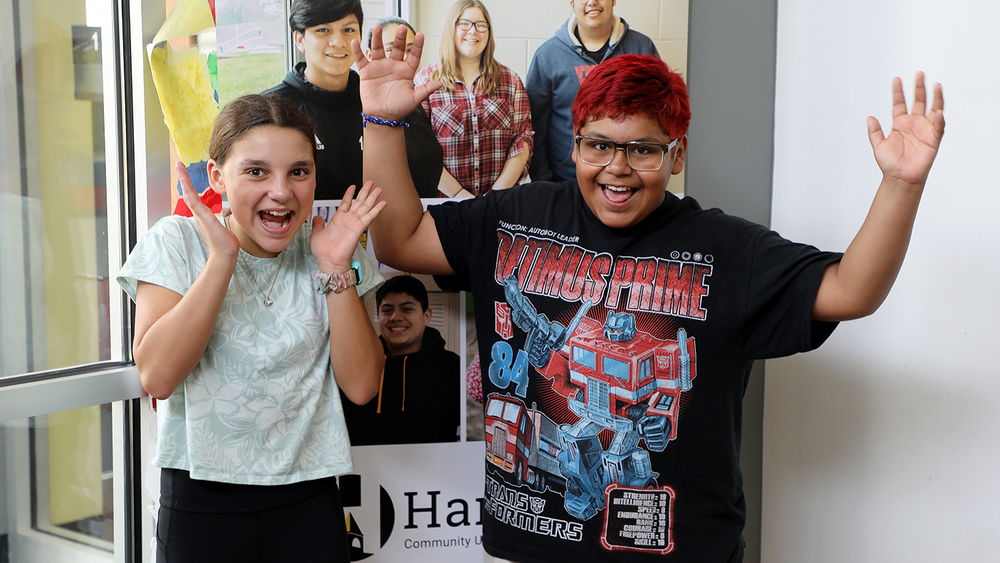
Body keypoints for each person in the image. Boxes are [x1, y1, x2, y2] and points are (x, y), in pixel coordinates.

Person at [355, 26, 945, 563]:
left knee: (624, 456)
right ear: (574, 145)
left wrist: (901, 184)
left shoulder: (722, 249)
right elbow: (399, 240)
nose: (617, 168)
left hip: (676, 546)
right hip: (530, 547)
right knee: (576, 446)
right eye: (598, 145)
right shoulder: (517, 218)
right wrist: (381, 122)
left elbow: (850, 290)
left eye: (643, 149)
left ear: (676, 154)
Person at [117, 93, 387, 562]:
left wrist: (334, 267)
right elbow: (157, 376)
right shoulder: (176, 241)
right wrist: (222, 259)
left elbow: (363, 386)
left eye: (298, 171)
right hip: (200, 500)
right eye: (257, 171)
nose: (281, 191)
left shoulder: (331, 245)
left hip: (309, 496)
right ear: (217, 176)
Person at [264, 0, 443, 199]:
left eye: (348, 30)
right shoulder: (272, 108)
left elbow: (427, 171)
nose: (339, 42)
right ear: (299, 39)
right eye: (323, 30)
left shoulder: (385, 100)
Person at [526, 0, 658, 183]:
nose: (592, 2)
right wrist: (544, 183)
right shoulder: (548, 55)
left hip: (627, 178)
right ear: (572, 3)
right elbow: (534, 127)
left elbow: (660, 118)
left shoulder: (642, 49)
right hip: (565, 181)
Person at [414, 0, 533, 199]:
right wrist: (461, 196)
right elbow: (422, 149)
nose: (473, 31)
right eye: (464, 23)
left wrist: (492, 201)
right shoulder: (426, 82)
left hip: (500, 204)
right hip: (447, 204)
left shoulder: (511, 81)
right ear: (452, 28)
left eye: (481, 25)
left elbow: (522, 142)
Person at [341, 274, 461, 445]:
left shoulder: (451, 366)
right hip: (370, 462)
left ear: (427, 316)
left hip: (436, 461)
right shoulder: (360, 367)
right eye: (387, 310)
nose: (395, 317)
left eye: (407, 309)